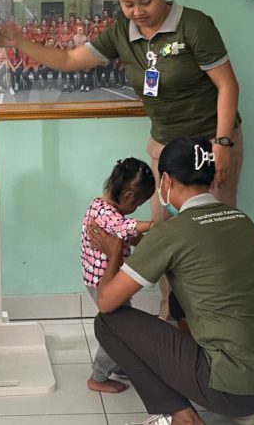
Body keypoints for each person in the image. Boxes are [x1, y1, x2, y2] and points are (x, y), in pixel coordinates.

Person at [0, 0, 244, 318]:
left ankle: (218, 319)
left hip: (212, 145)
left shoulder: (194, 25)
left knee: (211, 235)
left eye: (146, 1)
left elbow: (227, 85)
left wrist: (222, 144)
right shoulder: (120, 32)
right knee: (166, 237)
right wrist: (20, 43)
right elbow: (68, 61)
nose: (137, 11)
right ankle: (172, 319)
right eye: (128, 4)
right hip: (166, 149)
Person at [89, 137, 254, 425]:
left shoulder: (170, 233)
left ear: (166, 181)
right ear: (210, 178)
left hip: (233, 390)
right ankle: (245, 410)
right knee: (180, 297)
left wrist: (114, 253)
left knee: (107, 322)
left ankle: (180, 416)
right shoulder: (241, 219)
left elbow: (107, 301)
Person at [81, 157, 156, 393]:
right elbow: (125, 228)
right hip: (103, 283)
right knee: (117, 331)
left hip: (106, 279)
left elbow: (125, 233)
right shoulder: (108, 215)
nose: (137, 209)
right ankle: (98, 377)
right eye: (140, 204)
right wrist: (155, 225)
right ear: (129, 198)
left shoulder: (99, 205)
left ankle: (120, 362)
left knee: (123, 323)